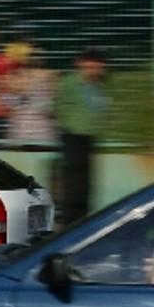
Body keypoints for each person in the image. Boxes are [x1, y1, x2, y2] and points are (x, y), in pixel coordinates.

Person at [53, 48, 110, 221]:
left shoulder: (99, 86)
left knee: (86, 185)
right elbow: (55, 107)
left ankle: (81, 220)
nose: (93, 66)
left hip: (89, 139)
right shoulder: (70, 83)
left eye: (97, 62)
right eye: (89, 61)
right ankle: (71, 222)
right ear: (80, 64)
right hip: (73, 138)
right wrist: (70, 124)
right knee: (73, 186)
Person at [0, 42, 57, 143]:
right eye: (32, 55)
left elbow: (54, 106)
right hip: (19, 132)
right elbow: (5, 103)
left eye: (39, 55)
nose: (36, 58)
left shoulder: (51, 78)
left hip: (44, 133)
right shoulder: (12, 78)